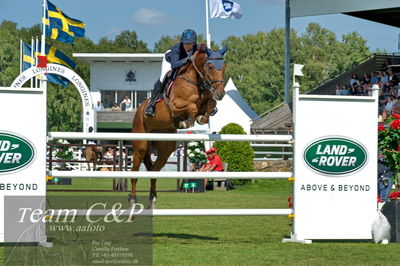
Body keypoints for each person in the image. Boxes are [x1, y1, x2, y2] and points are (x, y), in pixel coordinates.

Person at [145, 29, 199, 117]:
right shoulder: (176, 50)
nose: (186, 45)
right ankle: (151, 104)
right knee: (163, 77)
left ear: (193, 43)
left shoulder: (197, 47)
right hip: (170, 61)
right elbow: (174, 65)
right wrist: (187, 59)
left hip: (184, 61)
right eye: (185, 43)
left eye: (189, 43)